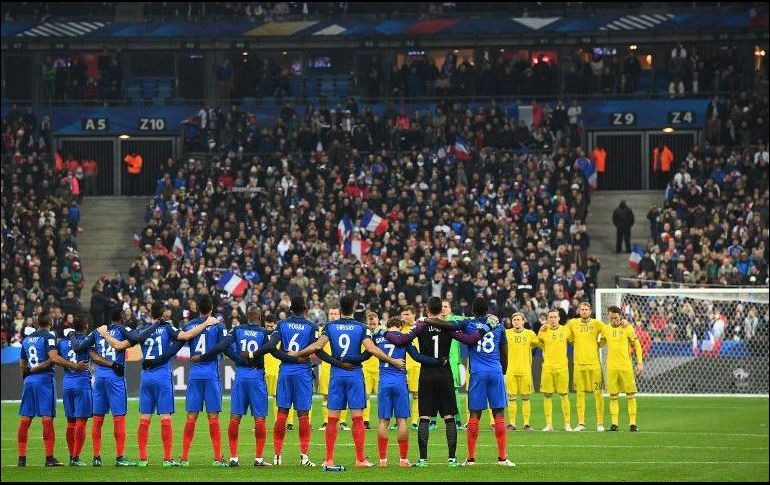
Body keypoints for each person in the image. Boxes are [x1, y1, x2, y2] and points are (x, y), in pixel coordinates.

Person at [290, 295, 405, 470]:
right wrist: (393, 361)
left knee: (332, 418)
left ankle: (329, 459)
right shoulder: (362, 327)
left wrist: (297, 354)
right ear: (354, 308)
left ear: (339, 309)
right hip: (354, 374)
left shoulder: (330, 327)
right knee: (357, 417)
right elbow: (371, 350)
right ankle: (360, 459)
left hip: (337, 375)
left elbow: (317, 347)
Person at [100, 301, 215, 467]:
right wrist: (205, 323)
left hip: (146, 376)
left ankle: (143, 459)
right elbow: (186, 336)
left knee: (144, 418)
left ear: (149, 314)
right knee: (165, 417)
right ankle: (167, 459)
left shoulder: (142, 330)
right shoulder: (167, 328)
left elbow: (119, 345)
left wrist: (105, 334)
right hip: (162, 376)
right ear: (163, 314)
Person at [190, 306, 306, 466]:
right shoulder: (263, 333)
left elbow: (222, 346)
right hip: (257, 377)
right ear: (260, 318)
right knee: (259, 419)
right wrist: (295, 359)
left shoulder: (237, 330)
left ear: (246, 316)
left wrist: (205, 357)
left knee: (235, 418)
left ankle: (233, 458)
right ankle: (258, 459)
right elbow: (274, 351)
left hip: (241, 376)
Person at [384, 297, 484, 468]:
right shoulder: (448, 327)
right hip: (445, 374)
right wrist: (485, 328)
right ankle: (452, 459)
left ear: (427, 309)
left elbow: (401, 341)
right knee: (449, 417)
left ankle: (423, 460)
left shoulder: (420, 326)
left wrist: (383, 333)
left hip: (427, 375)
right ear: (441, 310)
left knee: (424, 416)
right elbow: (469, 340)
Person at [69, 307, 160, 466]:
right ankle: (120, 457)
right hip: (115, 377)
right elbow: (138, 337)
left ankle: (96, 457)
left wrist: (72, 335)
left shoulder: (98, 331)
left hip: (99, 377)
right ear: (121, 317)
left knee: (98, 419)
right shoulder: (122, 329)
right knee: (118, 418)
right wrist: (156, 324)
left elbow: (78, 348)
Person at [369, 316, 443, 467]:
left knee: (383, 421)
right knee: (402, 420)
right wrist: (437, 361)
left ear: (388, 326)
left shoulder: (378, 338)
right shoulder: (404, 339)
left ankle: (383, 460)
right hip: (400, 382)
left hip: (384, 382)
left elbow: (367, 353)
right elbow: (417, 357)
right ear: (400, 327)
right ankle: (403, 460)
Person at [17, 313, 88, 467]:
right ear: (51, 322)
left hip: (29, 381)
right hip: (44, 380)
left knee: (25, 419)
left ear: (37, 322)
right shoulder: (49, 337)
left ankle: (21, 459)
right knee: (47, 419)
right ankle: (49, 458)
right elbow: (54, 358)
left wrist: (28, 377)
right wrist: (75, 366)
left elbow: (22, 365)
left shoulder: (26, 340)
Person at [456, 297, 516, 467]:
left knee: (474, 414)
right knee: (499, 413)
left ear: (473, 310)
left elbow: (455, 329)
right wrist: (503, 373)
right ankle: (502, 458)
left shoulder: (469, 325)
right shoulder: (498, 326)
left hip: (478, 372)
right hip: (495, 371)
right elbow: (504, 353)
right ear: (487, 310)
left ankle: (471, 459)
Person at [58, 315, 114, 466]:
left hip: (67, 383)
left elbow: (56, 359)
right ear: (86, 326)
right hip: (82, 383)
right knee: (81, 422)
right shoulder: (87, 342)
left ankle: (71, 456)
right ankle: (75, 458)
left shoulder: (62, 343)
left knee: (70, 422)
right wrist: (112, 364)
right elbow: (96, 358)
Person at [179, 295, 228, 466]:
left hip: (195, 374)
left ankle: (184, 458)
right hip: (211, 375)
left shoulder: (189, 326)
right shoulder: (218, 325)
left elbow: (179, 343)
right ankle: (217, 458)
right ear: (212, 308)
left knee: (191, 416)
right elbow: (223, 347)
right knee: (213, 417)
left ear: (197, 308)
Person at [566, 302, 607, 432]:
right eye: (582, 309)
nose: (584, 311)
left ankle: (600, 423)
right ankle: (581, 423)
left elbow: (608, 332)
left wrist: (599, 344)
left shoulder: (597, 323)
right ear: (579, 311)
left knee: (598, 393)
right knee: (580, 394)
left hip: (594, 364)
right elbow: (566, 335)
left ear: (590, 311)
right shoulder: (572, 323)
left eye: (586, 309)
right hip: (579, 364)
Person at [602, 306, 644, 432]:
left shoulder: (627, 327)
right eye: (611, 318)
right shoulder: (605, 329)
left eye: (616, 317)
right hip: (611, 367)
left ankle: (633, 424)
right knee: (613, 396)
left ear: (620, 316)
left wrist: (640, 362)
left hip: (626, 366)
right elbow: (601, 343)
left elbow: (637, 345)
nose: (613, 320)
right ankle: (614, 424)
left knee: (630, 395)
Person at [538, 309, 573, 432]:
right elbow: (539, 343)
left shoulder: (565, 330)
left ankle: (567, 424)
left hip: (562, 368)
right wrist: (539, 331)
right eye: (551, 317)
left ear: (559, 318)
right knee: (547, 395)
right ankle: (549, 424)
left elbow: (574, 340)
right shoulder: (543, 331)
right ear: (548, 319)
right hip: (547, 368)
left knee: (564, 395)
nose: (553, 319)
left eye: (555, 317)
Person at [505, 312, 541, 432]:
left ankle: (526, 424)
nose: (516, 322)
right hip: (511, 370)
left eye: (518, 319)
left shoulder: (530, 334)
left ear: (523, 321)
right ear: (512, 321)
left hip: (525, 371)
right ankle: (512, 423)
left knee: (525, 397)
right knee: (511, 397)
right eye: (514, 319)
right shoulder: (506, 333)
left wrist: (542, 331)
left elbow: (539, 343)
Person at [318, 308, 347, 431]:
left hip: (341, 366)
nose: (333, 316)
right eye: (331, 314)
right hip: (326, 366)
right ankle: (326, 422)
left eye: (335, 314)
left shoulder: (345, 329)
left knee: (343, 394)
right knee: (326, 396)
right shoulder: (322, 330)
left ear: (340, 315)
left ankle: (342, 422)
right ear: (328, 315)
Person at [399, 306, 421, 429]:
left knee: (416, 394)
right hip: (401, 365)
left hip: (416, 365)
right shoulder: (400, 328)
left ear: (414, 315)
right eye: (403, 314)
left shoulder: (420, 327)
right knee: (400, 394)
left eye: (407, 314)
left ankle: (414, 421)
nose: (404, 317)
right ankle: (400, 420)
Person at [362, 311, 381, 429]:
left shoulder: (384, 332)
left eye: (374, 324)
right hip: (366, 368)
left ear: (378, 321)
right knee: (366, 395)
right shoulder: (363, 332)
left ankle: (383, 420)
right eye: (370, 324)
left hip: (380, 368)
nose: (373, 326)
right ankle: (366, 421)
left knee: (382, 396)